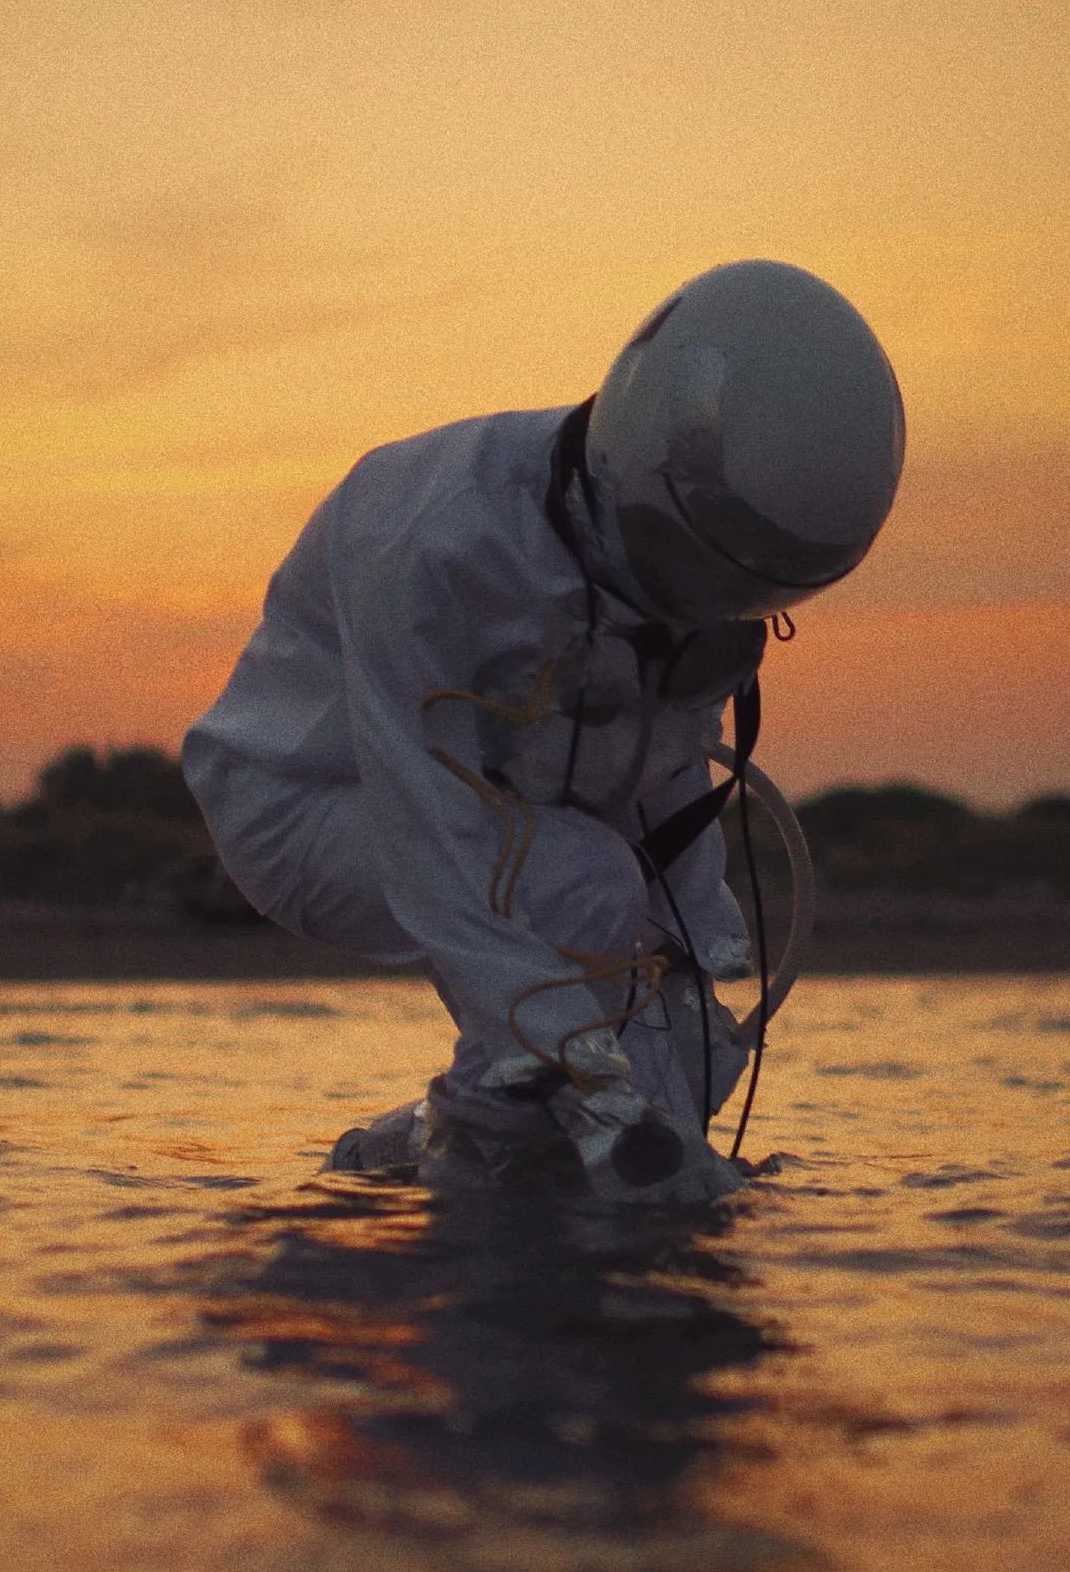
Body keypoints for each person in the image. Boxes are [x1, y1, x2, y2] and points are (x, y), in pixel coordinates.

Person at [183, 260, 904, 1204]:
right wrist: (591, 1080)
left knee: (668, 1055)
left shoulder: (695, 576)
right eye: (697, 576)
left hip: (504, 808)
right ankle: (486, 1152)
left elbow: (669, 782)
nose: (706, 612)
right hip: (304, 803)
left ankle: (417, 1150)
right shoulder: (427, 537)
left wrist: (693, 985)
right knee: (586, 894)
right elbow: (429, 824)